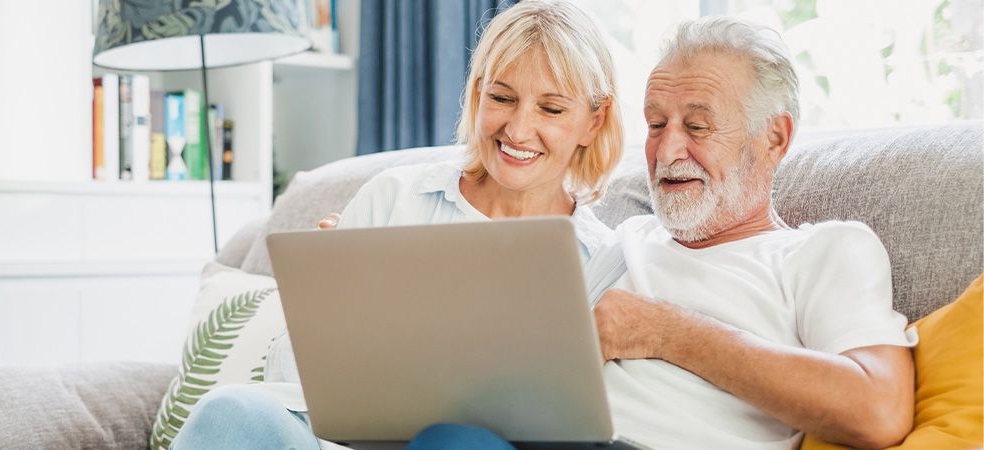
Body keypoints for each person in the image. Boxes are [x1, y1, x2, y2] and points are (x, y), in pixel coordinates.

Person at [317, 15, 918, 450]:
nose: (667, 150)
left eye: (697, 126)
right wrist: (368, 286)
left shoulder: (825, 250)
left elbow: (879, 410)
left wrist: (666, 332)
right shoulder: (615, 243)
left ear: (775, 138)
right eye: (656, 124)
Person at [170, 0, 622, 449]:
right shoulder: (394, 198)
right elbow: (287, 381)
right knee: (231, 410)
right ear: (477, 94)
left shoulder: (604, 262)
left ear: (594, 120)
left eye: (551, 109)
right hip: (340, 442)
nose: (518, 130)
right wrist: (326, 308)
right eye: (502, 98)